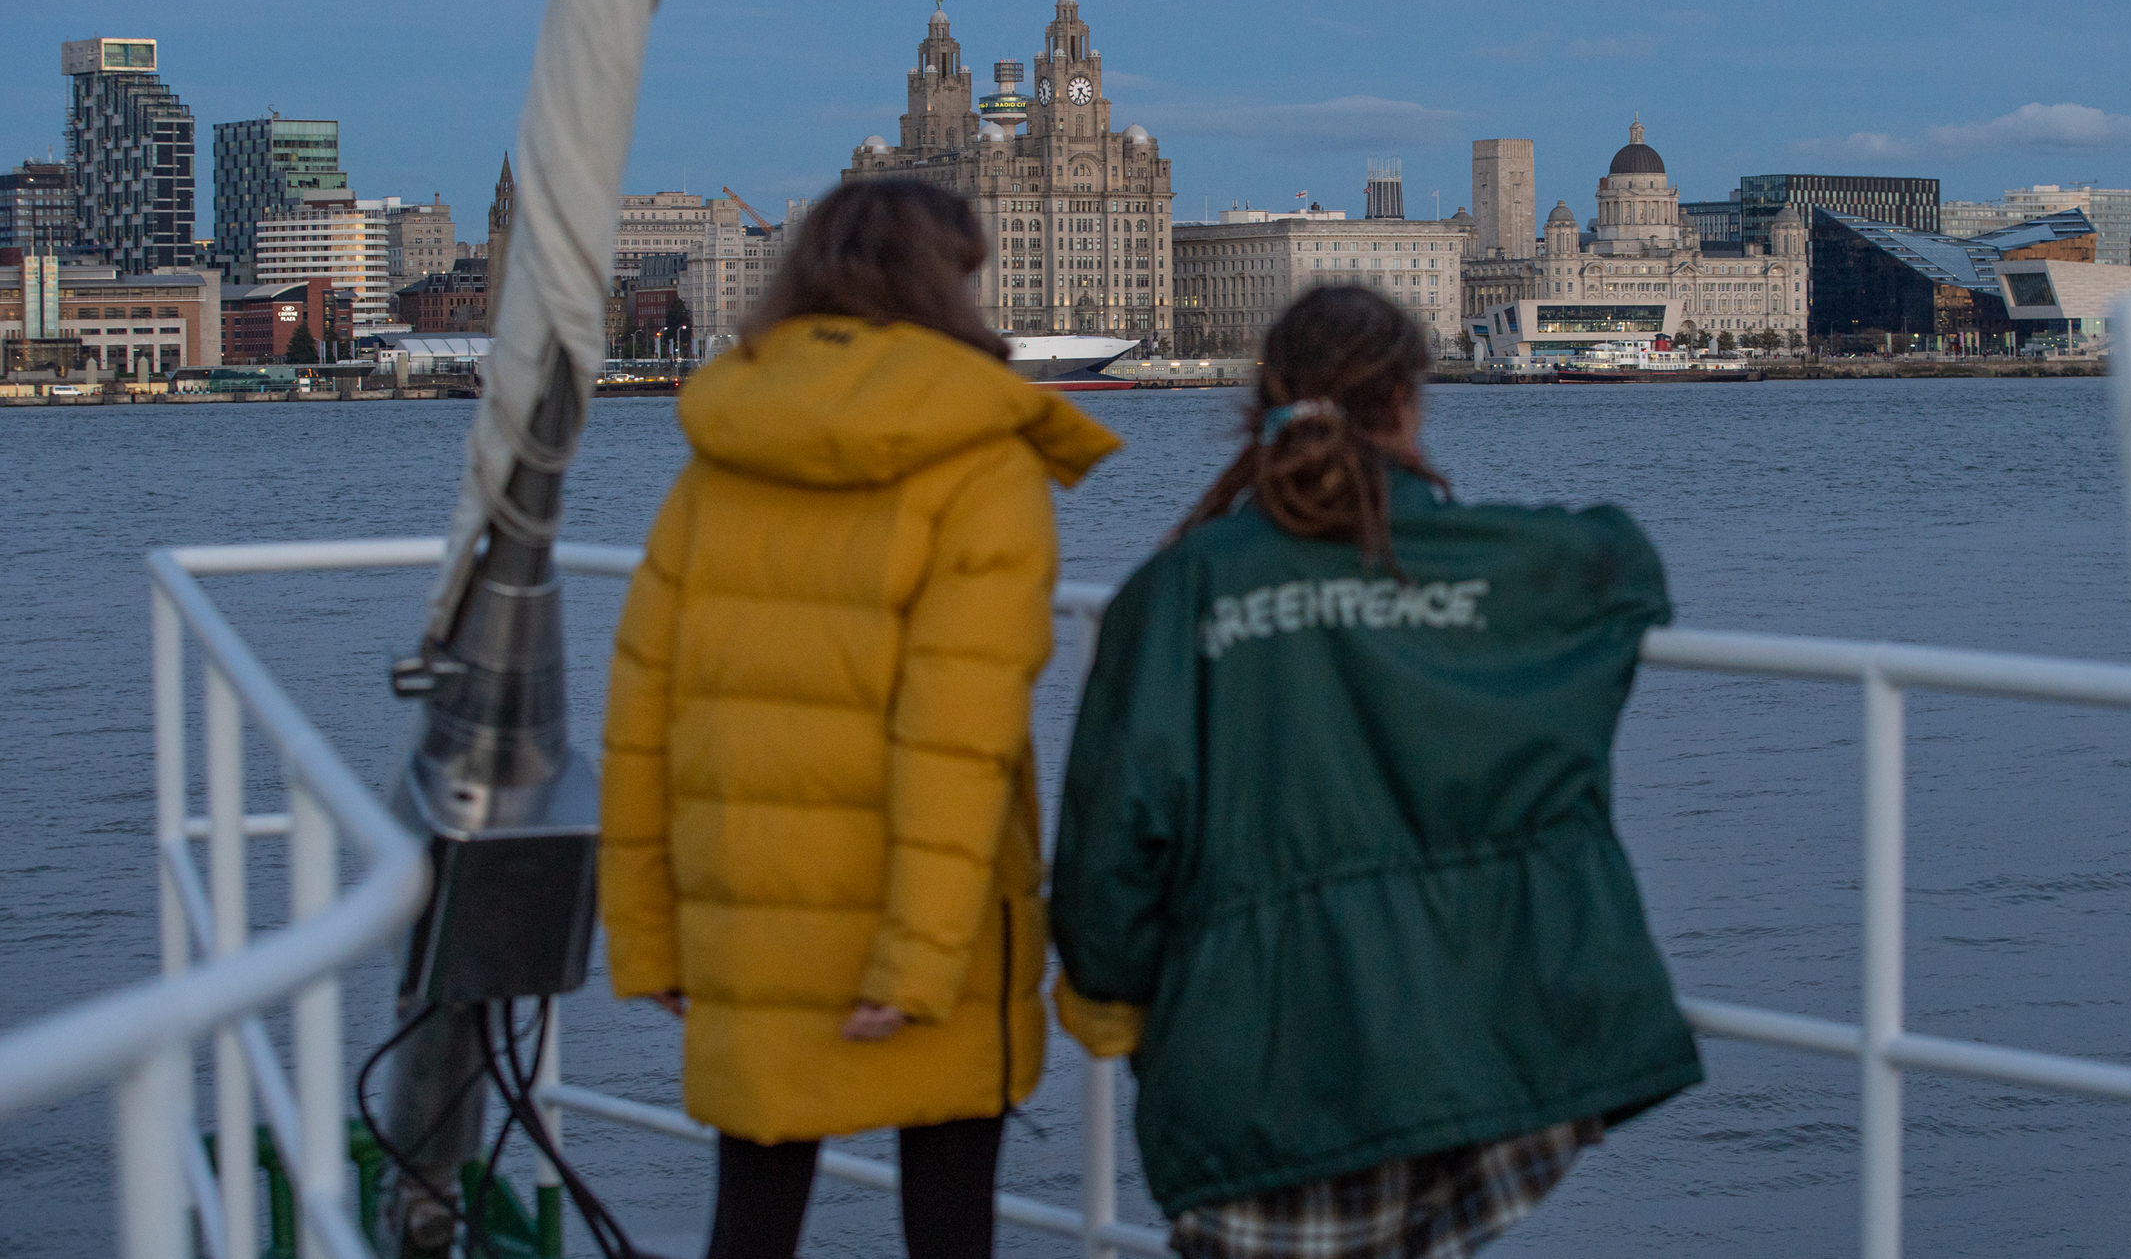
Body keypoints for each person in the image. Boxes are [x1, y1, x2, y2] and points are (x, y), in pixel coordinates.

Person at [1050, 286, 1701, 1259]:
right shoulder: (1479, 559)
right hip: (1470, 1056)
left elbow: (1107, 871)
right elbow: (1618, 563)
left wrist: (1141, 998)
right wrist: (1439, 533)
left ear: (1259, 402)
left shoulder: (1178, 587)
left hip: (1257, 1076)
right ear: (1406, 399)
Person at [600, 178, 1120, 1259]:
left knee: (750, 1216)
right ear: (950, 279)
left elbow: (641, 709)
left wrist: (647, 934)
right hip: (923, 922)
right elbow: (961, 730)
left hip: (747, 901)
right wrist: (919, 960)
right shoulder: (983, 453)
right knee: (947, 1221)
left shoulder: (722, 447)